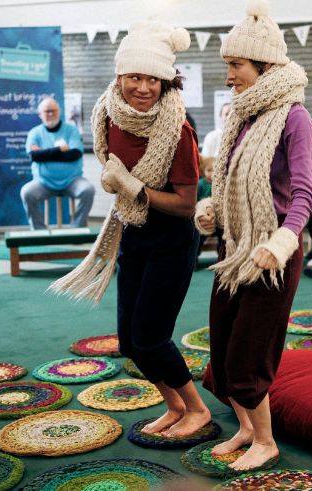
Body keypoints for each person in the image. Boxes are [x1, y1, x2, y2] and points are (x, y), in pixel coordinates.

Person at [50, 21, 212, 437]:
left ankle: (197, 410)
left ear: (165, 81)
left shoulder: (178, 130)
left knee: (152, 337)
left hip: (172, 239)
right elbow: (111, 162)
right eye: (134, 77)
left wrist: (133, 187)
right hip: (133, 232)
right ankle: (175, 406)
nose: (143, 87)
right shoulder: (107, 114)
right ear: (119, 76)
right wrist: (118, 183)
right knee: (130, 341)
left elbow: (186, 205)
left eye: (153, 79)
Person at [195, 0, 312, 471]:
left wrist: (282, 242)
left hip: (272, 256)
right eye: (228, 64)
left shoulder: (295, 117)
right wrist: (213, 209)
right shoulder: (241, 116)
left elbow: (304, 194)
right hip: (234, 251)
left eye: (236, 65)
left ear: (265, 66)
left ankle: (265, 442)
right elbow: (228, 182)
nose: (229, 76)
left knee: (248, 358)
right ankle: (246, 429)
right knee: (223, 353)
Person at [20, 97, 95, 229]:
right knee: (26, 192)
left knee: (88, 190)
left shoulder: (71, 130)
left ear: (59, 112)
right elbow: (34, 156)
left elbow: (75, 154)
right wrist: (60, 150)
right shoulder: (34, 133)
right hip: (43, 182)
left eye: (53, 110)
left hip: (72, 181)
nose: (50, 114)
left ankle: (76, 229)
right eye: (47, 111)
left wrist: (44, 154)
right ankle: (39, 232)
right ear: (40, 114)